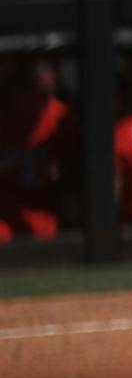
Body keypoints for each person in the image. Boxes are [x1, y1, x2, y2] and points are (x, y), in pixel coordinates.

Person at [0, 59, 75, 242]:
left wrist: (61, 172)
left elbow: (79, 173)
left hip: (46, 215)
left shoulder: (62, 117)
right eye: (39, 94)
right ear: (18, 93)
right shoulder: (4, 119)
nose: (46, 101)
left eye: (50, 94)